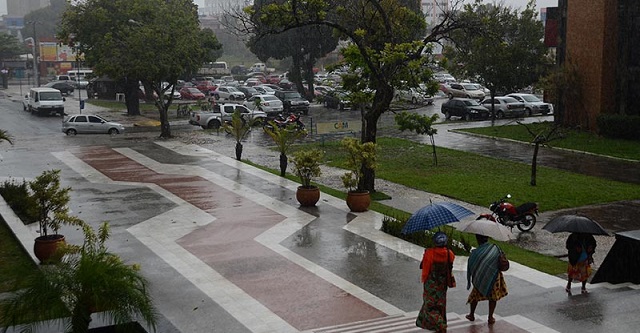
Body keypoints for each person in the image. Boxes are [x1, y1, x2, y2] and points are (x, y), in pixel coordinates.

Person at [416, 231, 455, 332]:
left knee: (429, 307)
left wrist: (425, 255)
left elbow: (423, 267)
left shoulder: (429, 253)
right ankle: (439, 327)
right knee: (440, 306)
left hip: (431, 285)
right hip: (442, 285)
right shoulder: (449, 253)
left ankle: (441, 326)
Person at [465, 234, 508, 325]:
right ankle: (490, 317)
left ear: (477, 239)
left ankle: (471, 315)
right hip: (494, 278)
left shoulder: (475, 253)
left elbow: (471, 266)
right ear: (487, 238)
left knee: (474, 296)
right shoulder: (495, 248)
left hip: (480, 278)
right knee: (493, 298)